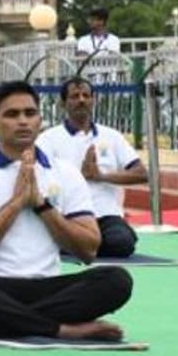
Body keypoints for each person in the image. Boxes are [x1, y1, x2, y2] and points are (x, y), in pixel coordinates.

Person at [0, 81, 134, 341]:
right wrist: (16, 203)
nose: (23, 121)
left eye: (30, 113)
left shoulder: (65, 173)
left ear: (40, 121)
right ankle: (61, 329)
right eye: (12, 114)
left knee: (116, 280)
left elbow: (88, 250)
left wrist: (42, 206)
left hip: (49, 287)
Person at [36, 78, 147, 258]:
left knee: (122, 243)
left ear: (93, 100)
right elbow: (39, 175)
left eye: (86, 96)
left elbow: (141, 174)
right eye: (75, 96)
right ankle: (79, 244)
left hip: (105, 215)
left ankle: (80, 246)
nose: (81, 100)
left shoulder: (112, 136)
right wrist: (76, 177)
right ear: (63, 103)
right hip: (66, 214)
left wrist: (100, 176)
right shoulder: (48, 139)